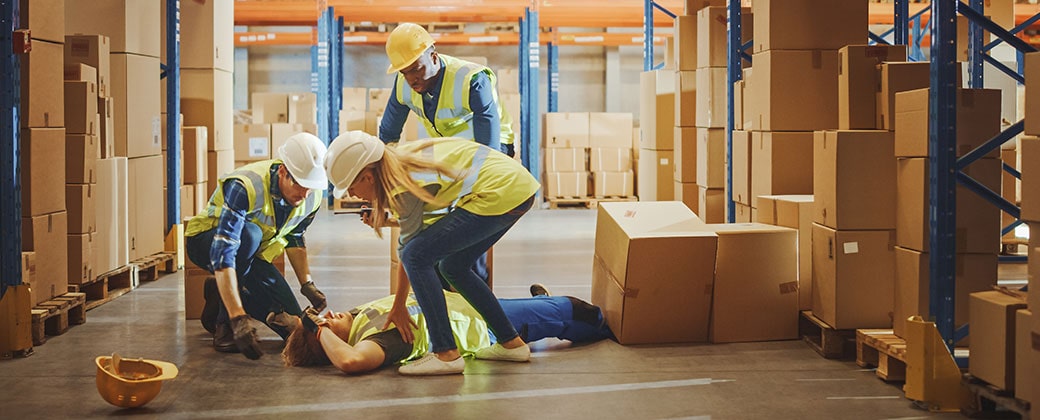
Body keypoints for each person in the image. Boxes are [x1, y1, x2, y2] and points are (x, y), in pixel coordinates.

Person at [324, 131, 539, 375]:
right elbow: (434, 221)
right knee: (452, 267)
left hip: (500, 191)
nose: (352, 195)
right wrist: (394, 221)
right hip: (513, 188)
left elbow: (411, 252)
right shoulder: (399, 160)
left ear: (368, 176)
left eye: (352, 187)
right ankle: (511, 343)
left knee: (417, 256)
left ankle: (446, 353)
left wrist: (399, 306)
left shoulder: (401, 184)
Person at [185, 132, 330, 360]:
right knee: (249, 235)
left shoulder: (311, 196)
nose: (304, 194)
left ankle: (217, 296)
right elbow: (225, 254)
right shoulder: (245, 185)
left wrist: (307, 284)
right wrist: (236, 318)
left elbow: (295, 236)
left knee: (294, 328)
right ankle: (223, 326)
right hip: (207, 243)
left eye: (310, 188)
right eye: (300, 184)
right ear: (283, 171)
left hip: (252, 256)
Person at [282, 286, 614, 374]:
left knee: (549, 309)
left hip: (470, 303)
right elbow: (351, 362)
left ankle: (546, 305)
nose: (327, 316)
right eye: (325, 324)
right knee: (577, 310)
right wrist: (319, 331)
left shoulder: (357, 318)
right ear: (327, 342)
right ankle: (605, 328)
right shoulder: (379, 340)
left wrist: (301, 326)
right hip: (484, 325)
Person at [379, 22, 516, 158]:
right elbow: (388, 134)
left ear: (433, 57)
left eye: (416, 69)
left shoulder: (473, 81)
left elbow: (488, 147)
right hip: (452, 146)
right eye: (404, 72)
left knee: (473, 176)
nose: (411, 79)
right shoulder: (403, 84)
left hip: (496, 143)